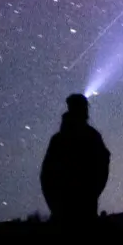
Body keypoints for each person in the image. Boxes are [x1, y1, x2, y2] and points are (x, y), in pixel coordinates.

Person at [39, 93, 110, 223]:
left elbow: (46, 176)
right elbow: (103, 166)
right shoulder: (91, 137)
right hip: (78, 211)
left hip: (66, 211)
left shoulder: (59, 140)